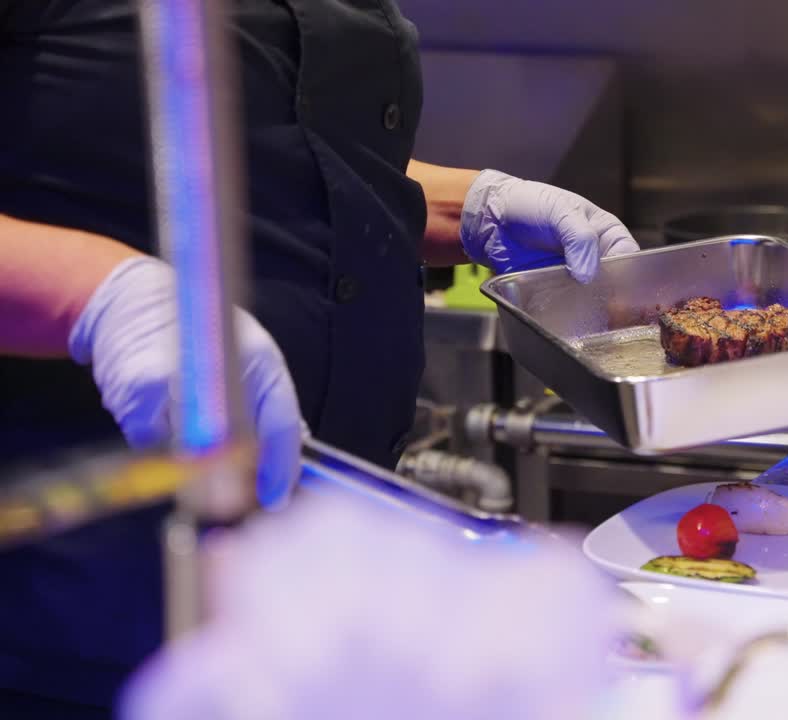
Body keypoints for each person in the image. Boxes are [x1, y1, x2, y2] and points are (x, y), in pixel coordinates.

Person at [0, 0, 638, 716]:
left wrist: (467, 209)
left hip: (307, 598)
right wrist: (94, 299)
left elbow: (281, 158)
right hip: (69, 605)